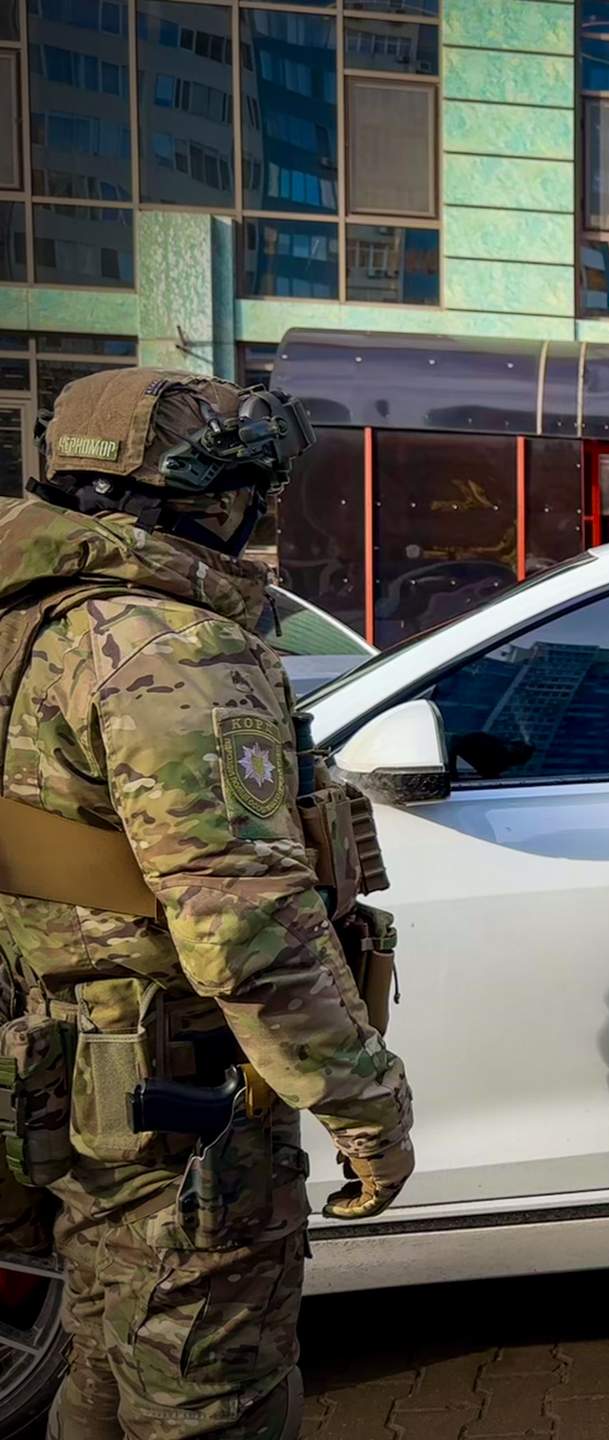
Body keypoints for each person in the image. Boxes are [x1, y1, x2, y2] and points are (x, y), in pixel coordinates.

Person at [0, 368, 415, 1439]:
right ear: (204, 496)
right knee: (209, 1399)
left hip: (65, 1086)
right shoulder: (169, 651)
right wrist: (369, 1108)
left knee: (101, 1361)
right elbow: (248, 926)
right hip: (177, 1111)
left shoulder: (35, 626)